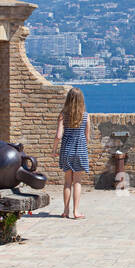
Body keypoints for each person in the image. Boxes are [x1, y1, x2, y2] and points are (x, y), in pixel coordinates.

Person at [52, 87, 91, 218]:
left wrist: (54, 150)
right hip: (80, 150)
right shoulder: (85, 116)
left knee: (67, 182)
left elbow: (58, 135)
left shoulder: (63, 115)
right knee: (77, 182)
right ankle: (76, 211)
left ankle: (65, 211)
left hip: (66, 150)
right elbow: (87, 137)